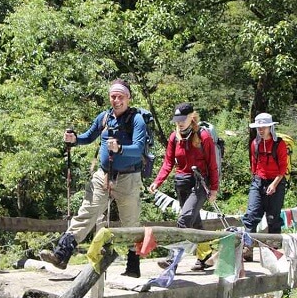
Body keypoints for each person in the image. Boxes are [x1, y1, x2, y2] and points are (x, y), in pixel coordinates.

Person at [40, 79, 148, 277]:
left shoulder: (137, 120)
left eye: (120, 96)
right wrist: (75, 140)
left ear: (128, 98)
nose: (116, 100)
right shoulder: (105, 117)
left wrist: (121, 148)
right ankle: (61, 255)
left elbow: (139, 148)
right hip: (103, 175)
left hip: (129, 178)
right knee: (86, 212)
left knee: (130, 223)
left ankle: (133, 267)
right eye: (113, 96)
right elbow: (89, 136)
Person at [148, 103, 219, 271]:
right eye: (177, 120)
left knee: (184, 219)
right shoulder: (174, 137)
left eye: (182, 119)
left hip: (200, 183)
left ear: (191, 117)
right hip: (182, 184)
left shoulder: (204, 137)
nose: (179, 123)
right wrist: (158, 181)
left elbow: (212, 164)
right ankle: (206, 255)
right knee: (194, 223)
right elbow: (168, 162)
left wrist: (214, 188)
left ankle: (172, 260)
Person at [241, 112, 289, 260]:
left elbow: (283, 168)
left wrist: (274, 184)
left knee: (273, 217)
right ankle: (247, 249)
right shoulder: (254, 144)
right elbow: (253, 165)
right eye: (258, 127)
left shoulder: (279, 144)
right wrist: (256, 180)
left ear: (270, 127)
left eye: (264, 127)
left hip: (276, 181)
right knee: (251, 215)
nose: (261, 130)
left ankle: (273, 251)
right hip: (258, 181)